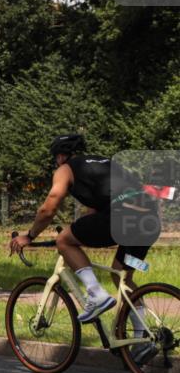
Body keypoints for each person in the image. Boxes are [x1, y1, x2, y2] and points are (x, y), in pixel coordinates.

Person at [9, 135, 161, 360]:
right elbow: (96, 212)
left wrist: (29, 236)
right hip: (148, 219)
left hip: (121, 216)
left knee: (64, 241)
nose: (56, 161)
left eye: (56, 158)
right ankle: (141, 339)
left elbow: (49, 206)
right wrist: (79, 230)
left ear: (60, 155)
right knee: (122, 276)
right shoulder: (103, 163)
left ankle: (96, 294)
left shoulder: (65, 169)